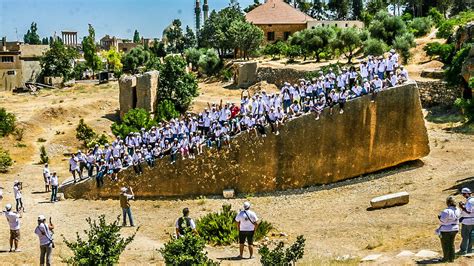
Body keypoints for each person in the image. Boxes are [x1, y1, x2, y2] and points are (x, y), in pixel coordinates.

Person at [437, 196, 460, 262]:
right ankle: (452, 258)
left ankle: (445, 258)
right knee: (451, 243)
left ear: (448, 202)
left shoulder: (446, 211)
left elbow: (442, 221)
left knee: (445, 244)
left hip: (446, 229)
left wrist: (439, 217)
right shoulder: (457, 209)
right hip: (455, 228)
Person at [458, 187, 474, 255]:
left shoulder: (470, 201)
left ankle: (463, 250)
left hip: (468, 221)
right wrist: (464, 205)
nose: (463, 195)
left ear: (467, 194)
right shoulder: (472, 200)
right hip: (472, 220)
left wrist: (462, 207)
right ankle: (469, 249)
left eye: (464, 194)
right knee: (471, 235)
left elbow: (469, 211)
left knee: (465, 235)